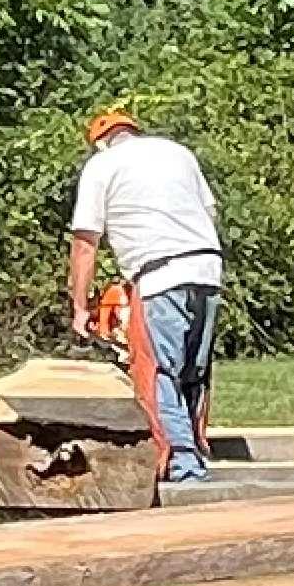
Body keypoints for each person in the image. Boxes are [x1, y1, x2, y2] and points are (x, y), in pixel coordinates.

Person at [65, 105, 229, 485]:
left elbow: (85, 242)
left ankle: (182, 467)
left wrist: (79, 307)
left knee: (158, 372)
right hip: (207, 267)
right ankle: (193, 448)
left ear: (100, 143)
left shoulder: (101, 167)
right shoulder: (178, 153)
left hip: (158, 274)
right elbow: (208, 212)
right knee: (195, 370)